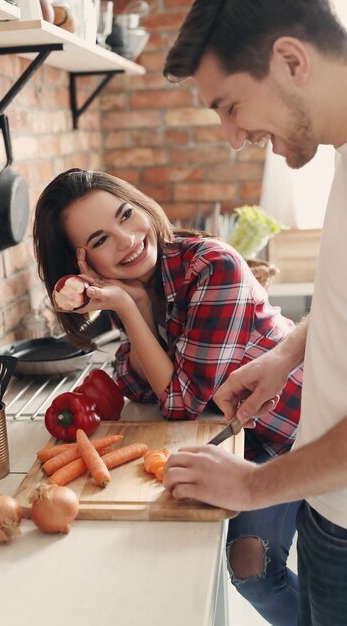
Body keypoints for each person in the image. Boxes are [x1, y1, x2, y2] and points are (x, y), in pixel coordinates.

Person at [33, 167, 303, 625]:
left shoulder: (212, 265)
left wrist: (126, 307)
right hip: (243, 440)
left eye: (126, 215)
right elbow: (136, 382)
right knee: (238, 566)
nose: (126, 240)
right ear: (82, 264)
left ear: (141, 205)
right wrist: (136, 305)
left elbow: (182, 403)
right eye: (99, 240)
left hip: (300, 433)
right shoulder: (142, 286)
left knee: (255, 568)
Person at [162, 1, 347, 624]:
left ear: (291, 61)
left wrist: (247, 486)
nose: (233, 137)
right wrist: (286, 354)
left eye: (230, 106)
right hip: (328, 509)